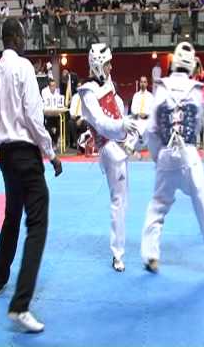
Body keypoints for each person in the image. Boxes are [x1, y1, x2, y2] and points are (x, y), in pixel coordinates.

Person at [0, 18, 62, 334]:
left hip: (5, 153)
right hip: (25, 152)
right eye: (23, 36)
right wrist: (52, 153)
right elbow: (33, 116)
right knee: (38, 222)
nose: (25, 40)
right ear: (15, 37)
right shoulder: (24, 68)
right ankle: (20, 304)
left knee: (11, 215)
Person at [141, 42, 204, 276]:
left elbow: (151, 130)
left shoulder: (160, 88)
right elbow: (198, 123)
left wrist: (157, 156)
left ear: (172, 64)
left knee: (157, 207)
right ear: (191, 66)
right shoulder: (197, 90)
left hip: (166, 156)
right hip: (189, 156)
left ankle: (151, 253)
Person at [78, 43, 139, 272]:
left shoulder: (107, 82)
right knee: (118, 202)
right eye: (107, 64)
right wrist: (123, 126)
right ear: (97, 66)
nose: (111, 67)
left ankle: (118, 250)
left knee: (123, 201)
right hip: (108, 148)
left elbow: (117, 105)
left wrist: (127, 123)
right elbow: (101, 124)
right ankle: (117, 254)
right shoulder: (87, 91)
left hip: (120, 141)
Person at [192, 57, 204, 149]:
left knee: (201, 122)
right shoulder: (192, 75)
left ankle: (202, 141)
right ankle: (193, 142)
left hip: (201, 100)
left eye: (197, 64)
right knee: (193, 121)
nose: (196, 66)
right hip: (193, 100)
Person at [68, 80, 88, 149]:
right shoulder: (74, 97)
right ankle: (76, 142)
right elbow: (71, 109)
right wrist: (72, 115)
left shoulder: (86, 97)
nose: (79, 88)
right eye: (78, 86)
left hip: (83, 117)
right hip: (75, 117)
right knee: (70, 123)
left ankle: (82, 143)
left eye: (81, 86)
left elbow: (87, 111)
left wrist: (81, 119)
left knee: (85, 123)